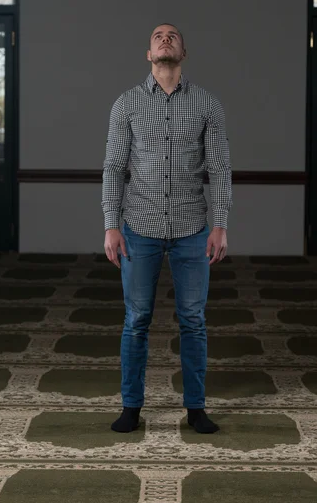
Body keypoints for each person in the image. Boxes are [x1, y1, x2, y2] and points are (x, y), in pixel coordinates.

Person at [102, 23, 232, 434]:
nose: (164, 38)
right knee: (136, 318)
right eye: (158, 35)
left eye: (172, 34)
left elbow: (220, 169)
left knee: (192, 319)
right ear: (148, 54)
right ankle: (131, 406)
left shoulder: (208, 105)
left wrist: (220, 224)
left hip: (193, 228)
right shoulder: (126, 104)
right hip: (138, 227)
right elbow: (113, 168)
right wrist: (110, 225)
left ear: (183, 52)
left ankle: (195, 407)